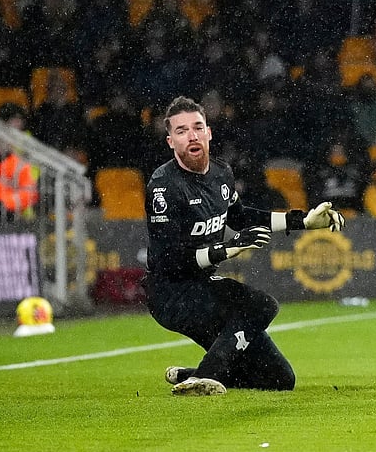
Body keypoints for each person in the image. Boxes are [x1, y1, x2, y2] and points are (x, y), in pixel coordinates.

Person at [145, 96, 346, 396]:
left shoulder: (222, 173)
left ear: (209, 133)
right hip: (170, 293)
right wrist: (225, 250)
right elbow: (171, 262)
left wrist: (303, 222)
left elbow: (240, 217)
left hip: (202, 284)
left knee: (279, 379)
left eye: (198, 127)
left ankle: (197, 373)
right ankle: (206, 376)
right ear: (170, 141)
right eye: (182, 131)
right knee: (260, 305)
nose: (192, 136)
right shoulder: (164, 187)